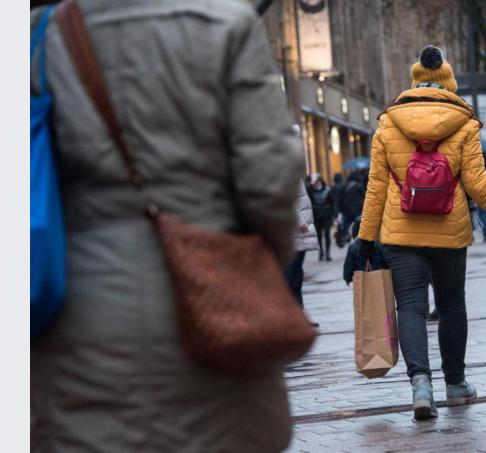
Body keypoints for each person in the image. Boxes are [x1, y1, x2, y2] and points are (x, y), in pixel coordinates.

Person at [30, 1, 303, 451]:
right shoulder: (225, 24)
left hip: (79, 311)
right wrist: (261, 265)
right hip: (215, 307)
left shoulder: (41, 39)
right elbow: (270, 176)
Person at [356, 45, 486, 420]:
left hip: (400, 237)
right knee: (451, 305)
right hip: (449, 233)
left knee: (412, 308)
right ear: (449, 84)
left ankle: (421, 385)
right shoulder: (464, 124)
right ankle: (456, 384)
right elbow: (480, 186)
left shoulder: (388, 125)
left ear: (415, 81)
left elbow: (375, 187)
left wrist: (365, 238)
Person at [285, 180, 320, 327]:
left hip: (299, 233)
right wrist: (300, 222)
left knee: (297, 275)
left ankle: (299, 314)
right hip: (295, 231)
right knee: (291, 276)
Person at [343, 217, 386, 285]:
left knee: (363, 295)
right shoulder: (378, 245)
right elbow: (385, 262)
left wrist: (347, 278)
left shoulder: (353, 247)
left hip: (361, 281)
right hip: (379, 279)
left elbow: (349, 266)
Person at [309, 173, 336, 261]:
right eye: (314, 181)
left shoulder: (328, 190)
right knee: (319, 236)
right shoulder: (311, 191)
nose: (316, 182)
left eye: (317, 180)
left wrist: (335, 215)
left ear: (320, 180)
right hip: (317, 217)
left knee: (327, 234)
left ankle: (328, 254)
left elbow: (332, 203)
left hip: (327, 216)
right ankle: (321, 253)